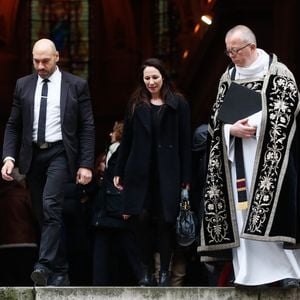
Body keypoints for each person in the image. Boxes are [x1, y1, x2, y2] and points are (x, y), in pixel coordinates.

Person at [199, 25, 300, 287]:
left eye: (235, 50)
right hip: (237, 161)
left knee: (272, 214)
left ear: (252, 47)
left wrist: (256, 124)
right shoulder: (228, 76)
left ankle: (286, 273)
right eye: (228, 51)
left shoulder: (277, 73)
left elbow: (287, 109)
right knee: (242, 215)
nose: (231, 56)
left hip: (270, 162)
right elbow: (215, 118)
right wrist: (230, 129)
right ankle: (247, 274)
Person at [1, 38, 95, 286]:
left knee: (51, 205)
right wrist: (8, 158)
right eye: (36, 61)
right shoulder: (23, 85)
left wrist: (86, 164)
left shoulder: (76, 85)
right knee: (43, 214)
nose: (40, 66)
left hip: (60, 153)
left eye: (45, 61)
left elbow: (87, 126)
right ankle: (61, 269)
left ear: (57, 57)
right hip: (33, 156)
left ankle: (43, 266)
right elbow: (13, 125)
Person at [113, 58, 191, 286]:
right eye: (147, 78)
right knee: (140, 220)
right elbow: (126, 140)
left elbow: (185, 143)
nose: (151, 82)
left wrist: (186, 178)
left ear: (163, 77)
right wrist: (119, 169)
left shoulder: (179, 103)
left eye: (155, 77)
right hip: (139, 172)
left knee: (166, 223)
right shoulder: (136, 103)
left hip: (169, 174)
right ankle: (146, 271)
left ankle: (164, 273)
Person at [92, 121, 143, 286]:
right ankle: (143, 278)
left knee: (122, 244)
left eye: (113, 131)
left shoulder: (120, 150)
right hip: (112, 205)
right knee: (126, 244)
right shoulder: (116, 150)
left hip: (114, 204)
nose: (109, 134)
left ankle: (142, 277)